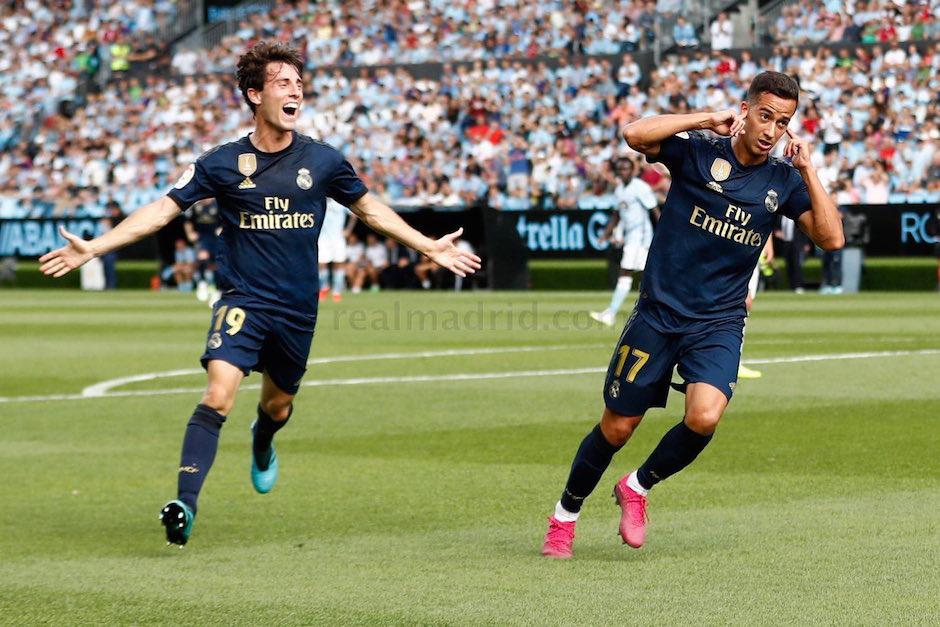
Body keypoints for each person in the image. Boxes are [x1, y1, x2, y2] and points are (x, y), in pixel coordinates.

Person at [39, 41, 481, 547]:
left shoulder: (323, 159)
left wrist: (428, 245)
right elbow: (163, 210)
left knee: (276, 407)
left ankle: (263, 441)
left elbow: (370, 209)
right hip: (243, 302)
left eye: (298, 83)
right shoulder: (222, 163)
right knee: (218, 394)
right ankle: (185, 501)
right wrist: (95, 246)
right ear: (254, 94)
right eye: (282, 82)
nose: (296, 90)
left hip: (297, 311)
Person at [541, 71, 843, 558]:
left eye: (782, 122)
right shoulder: (701, 150)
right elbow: (634, 134)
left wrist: (809, 171)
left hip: (719, 321)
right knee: (618, 428)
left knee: (704, 417)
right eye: (764, 115)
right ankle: (564, 517)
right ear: (744, 111)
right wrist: (707, 119)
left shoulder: (783, 179)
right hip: (659, 315)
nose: (770, 130)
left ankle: (637, 487)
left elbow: (831, 238)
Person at [591, 157, 658, 327]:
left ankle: (612, 312)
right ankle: (650, 310)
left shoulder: (640, 187)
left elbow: (654, 211)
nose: (623, 172)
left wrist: (665, 233)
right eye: (620, 169)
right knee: (645, 274)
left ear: (633, 170)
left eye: (626, 169)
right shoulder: (619, 189)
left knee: (627, 272)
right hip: (631, 237)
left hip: (641, 237)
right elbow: (616, 215)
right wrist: (605, 235)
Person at [738, 237, 774, 379]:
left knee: (745, 303)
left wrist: (768, 244)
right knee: (742, 302)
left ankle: (734, 359)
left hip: (755, 243)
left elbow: (771, 214)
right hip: (739, 244)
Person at [318, 197, 356, 302]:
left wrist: (348, 230)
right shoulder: (319, 200)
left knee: (339, 264)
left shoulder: (341, 201)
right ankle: (324, 287)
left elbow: (354, 215)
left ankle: (336, 292)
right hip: (323, 238)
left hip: (338, 238)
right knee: (321, 264)